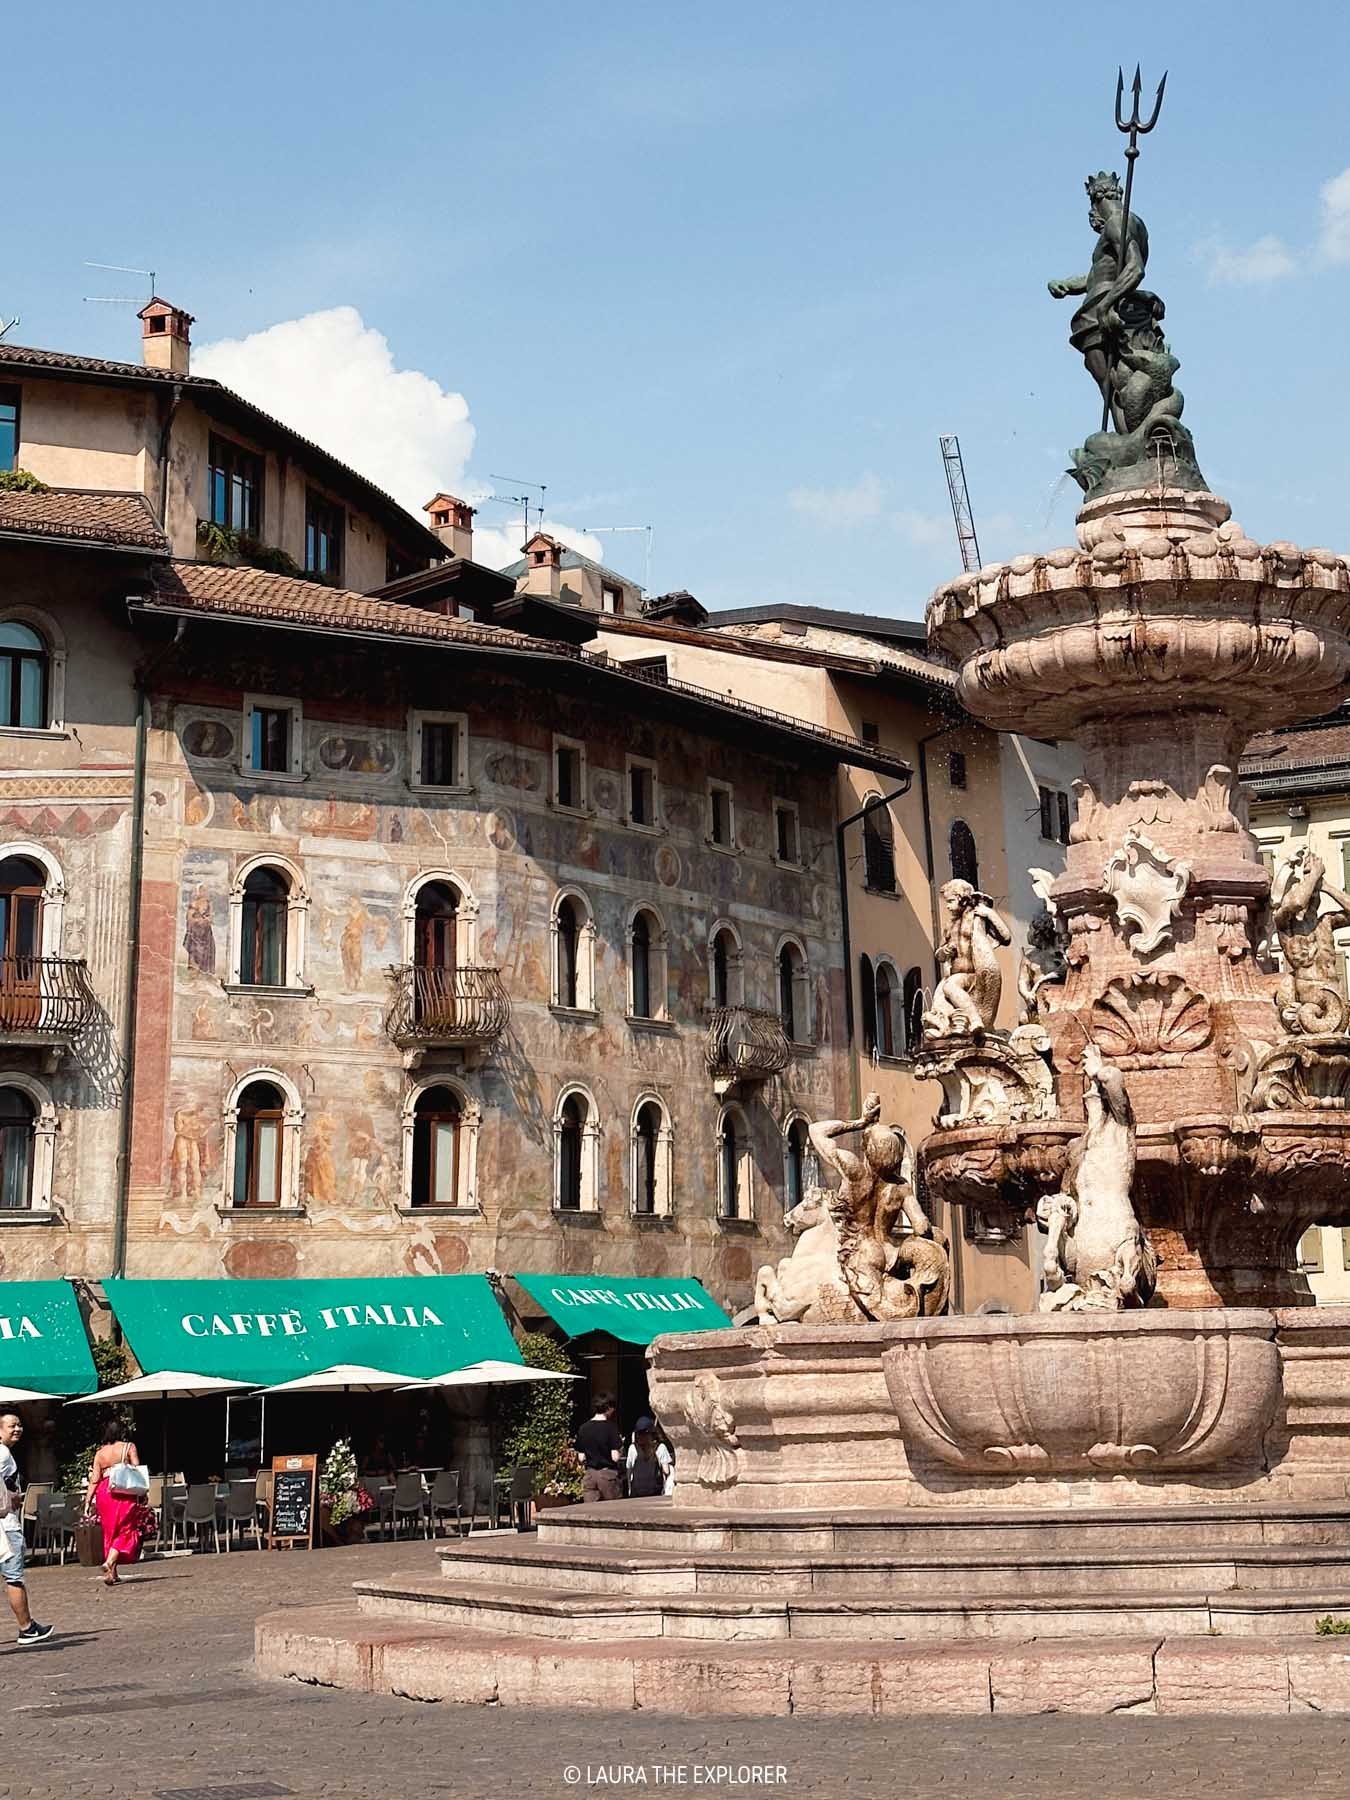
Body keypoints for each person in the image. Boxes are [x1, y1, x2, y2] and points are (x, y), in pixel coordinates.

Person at [0, 1412, 53, 1644]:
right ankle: (27, 1628)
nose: (17, 1429)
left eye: (19, 1424)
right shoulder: (2, 1453)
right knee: (14, 1578)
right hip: (6, 1526)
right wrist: (11, 1497)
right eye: (12, 1425)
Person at [83, 1418, 148, 1586]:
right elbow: (136, 1469)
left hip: (105, 1491)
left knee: (109, 1531)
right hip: (123, 1490)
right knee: (126, 1529)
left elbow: (94, 1479)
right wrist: (143, 1492)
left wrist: (88, 1501)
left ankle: (111, 1574)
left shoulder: (100, 1453)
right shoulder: (129, 1447)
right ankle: (110, 1562)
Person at [575, 1395, 622, 1503]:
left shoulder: (583, 1428)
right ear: (608, 1408)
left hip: (590, 1476)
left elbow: (581, 1457)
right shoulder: (610, 1428)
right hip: (607, 1475)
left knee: (591, 1512)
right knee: (612, 1512)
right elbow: (615, 1457)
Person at [625, 1417, 674, 1498]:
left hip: (637, 1492)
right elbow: (666, 1471)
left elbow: (629, 1470)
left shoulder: (633, 1448)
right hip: (655, 1491)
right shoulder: (660, 1447)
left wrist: (630, 1488)